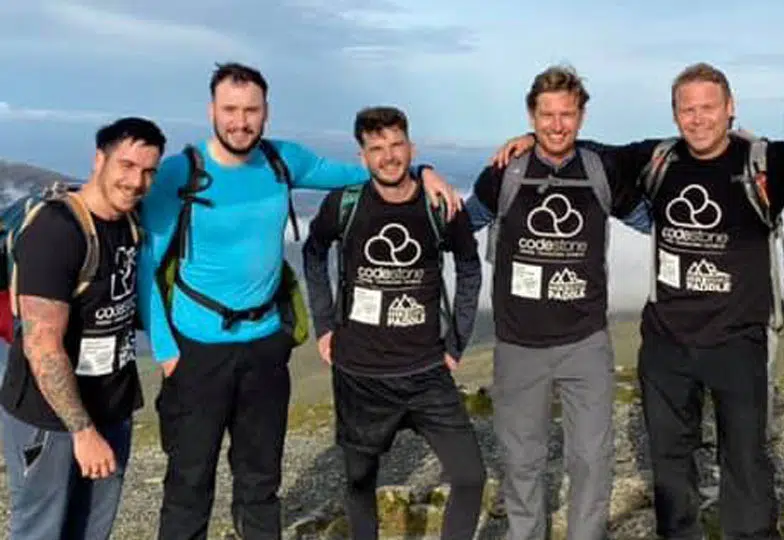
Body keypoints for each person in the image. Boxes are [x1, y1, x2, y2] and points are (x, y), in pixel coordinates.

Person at [490, 62, 784, 539]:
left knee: (744, 458)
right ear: (675, 114)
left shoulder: (766, 161)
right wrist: (529, 137)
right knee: (670, 462)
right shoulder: (657, 158)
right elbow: (573, 145)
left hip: (739, 339)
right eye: (687, 109)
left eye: (708, 107)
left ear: (730, 108)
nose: (698, 119)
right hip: (666, 342)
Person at [136, 63, 461, 540]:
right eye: (230, 110)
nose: (240, 121)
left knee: (261, 480)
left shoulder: (281, 160)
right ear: (211, 111)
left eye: (251, 110)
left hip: (267, 346)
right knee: (188, 483)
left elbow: (363, 170)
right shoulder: (179, 174)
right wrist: (167, 353)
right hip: (195, 350)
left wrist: (421, 170)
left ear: (266, 112)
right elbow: (148, 264)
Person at [464, 65, 652, 540]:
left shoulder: (599, 170)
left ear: (582, 115)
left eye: (566, 114)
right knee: (521, 459)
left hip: (585, 341)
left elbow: (655, 221)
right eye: (547, 115)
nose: (556, 125)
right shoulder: (505, 173)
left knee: (591, 458)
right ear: (532, 115)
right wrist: (423, 181)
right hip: (518, 343)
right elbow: (459, 227)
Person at [302, 105, 485, 540]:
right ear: (362, 156)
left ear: (411, 148)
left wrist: (456, 342)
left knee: (470, 476)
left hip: (426, 370)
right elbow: (313, 253)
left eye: (396, 145)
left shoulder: (440, 205)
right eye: (376, 148)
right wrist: (325, 325)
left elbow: (469, 267)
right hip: (360, 372)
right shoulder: (343, 205)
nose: (388, 156)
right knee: (360, 480)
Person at [0, 117, 166, 540]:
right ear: (98, 160)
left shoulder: (128, 223)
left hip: (111, 406)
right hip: (49, 419)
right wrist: (83, 431)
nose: (136, 181)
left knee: (92, 530)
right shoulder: (56, 230)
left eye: (148, 171)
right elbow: (42, 344)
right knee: (41, 529)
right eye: (126, 165)